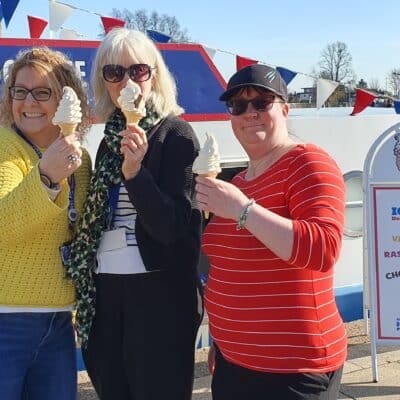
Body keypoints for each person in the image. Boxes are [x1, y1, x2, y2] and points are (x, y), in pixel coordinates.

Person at [65, 28, 203, 400]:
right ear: (104, 82)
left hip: (157, 293)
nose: (126, 81)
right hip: (104, 291)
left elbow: (175, 228)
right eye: (114, 73)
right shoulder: (108, 141)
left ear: (153, 75)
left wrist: (135, 175)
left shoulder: (176, 134)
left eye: (137, 71)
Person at [195, 64, 347, 400]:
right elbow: (229, 268)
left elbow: (323, 249)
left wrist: (242, 210)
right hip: (234, 364)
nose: (249, 113)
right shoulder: (237, 183)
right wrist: (221, 342)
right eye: (238, 105)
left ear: (285, 109)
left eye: (261, 102)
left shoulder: (307, 162)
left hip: (292, 371)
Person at [0, 47, 92, 400]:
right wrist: (46, 178)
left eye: (43, 92)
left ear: (65, 98)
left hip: (57, 321)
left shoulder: (79, 161)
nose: (29, 102)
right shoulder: (6, 147)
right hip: (6, 320)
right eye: (19, 91)